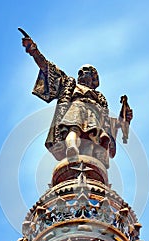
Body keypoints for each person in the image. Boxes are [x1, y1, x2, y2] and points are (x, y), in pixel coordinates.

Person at [20, 31, 116, 167]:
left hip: (94, 113)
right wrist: (34, 51)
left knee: (93, 137)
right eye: (80, 72)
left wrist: (125, 120)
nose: (81, 74)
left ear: (93, 78)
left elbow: (109, 121)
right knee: (72, 129)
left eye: (86, 72)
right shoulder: (69, 84)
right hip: (76, 107)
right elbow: (48, 68)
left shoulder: (99, 97)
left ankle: (89, 160)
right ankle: (72, 148)